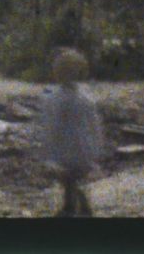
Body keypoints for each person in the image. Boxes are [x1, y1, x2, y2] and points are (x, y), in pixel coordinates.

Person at [35, 47, 106, 215]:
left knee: (67, 177)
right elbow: (95, 125)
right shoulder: (86, 98)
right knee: (72, 178)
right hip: (83, 149)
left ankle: (75, 204)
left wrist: (46, 147)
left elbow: (51, 126)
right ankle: (74, 203)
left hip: (64, 150)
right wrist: (96, 147)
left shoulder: (53, 98)